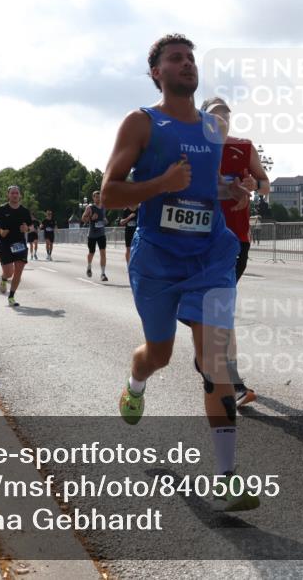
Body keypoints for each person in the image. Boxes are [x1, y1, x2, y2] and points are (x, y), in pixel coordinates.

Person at [101, 33, 257, 511]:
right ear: (156, 72)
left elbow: (207, 184)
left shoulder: (212, 128)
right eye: (176, 58)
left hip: (210, 256)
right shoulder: (141, 122)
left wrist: (231, 189)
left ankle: (228, 477)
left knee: (215, 360)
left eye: (191, 58)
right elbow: (108, 193)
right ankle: (136, 380)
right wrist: (163, 184)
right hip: (157, 260)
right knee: (159, 355)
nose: (187, 64)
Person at [201, 96, 272, 408]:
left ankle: (224, 373)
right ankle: (232, 380)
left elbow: (265, 183)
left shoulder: (243, 147)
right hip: (200, 240)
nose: (222, 122)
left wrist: (251, 182)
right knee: (217, 310)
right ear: (202, 118)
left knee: (219, 309)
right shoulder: (194, 149)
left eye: (226, 117)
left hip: (236, 239)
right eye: (216, 117)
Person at [0, 185, 33, 307]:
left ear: (20, 195)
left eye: (16, 193)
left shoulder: (24, 211)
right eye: (12, 193)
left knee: (18, 272)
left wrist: (27, 229)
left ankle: (11, 296)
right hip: (5, 244)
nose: (15, 195)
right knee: (9, 273)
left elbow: (31, 227)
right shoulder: (2, 209)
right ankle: (4, 279)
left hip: (20, 244)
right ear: (8, 195)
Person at [83, 191, 108, 281]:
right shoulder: (90, 208)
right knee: (91, 253)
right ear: (93, 198)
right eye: (96, 197)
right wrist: (90, 218)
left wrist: (105, 220)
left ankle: (103, 274)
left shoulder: (103, 207)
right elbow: (83, 218)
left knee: (103, 253)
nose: (98, 198)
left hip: (101, 234)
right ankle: (89, 266)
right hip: (92, 235)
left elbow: (104, 218)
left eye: (99, 197)